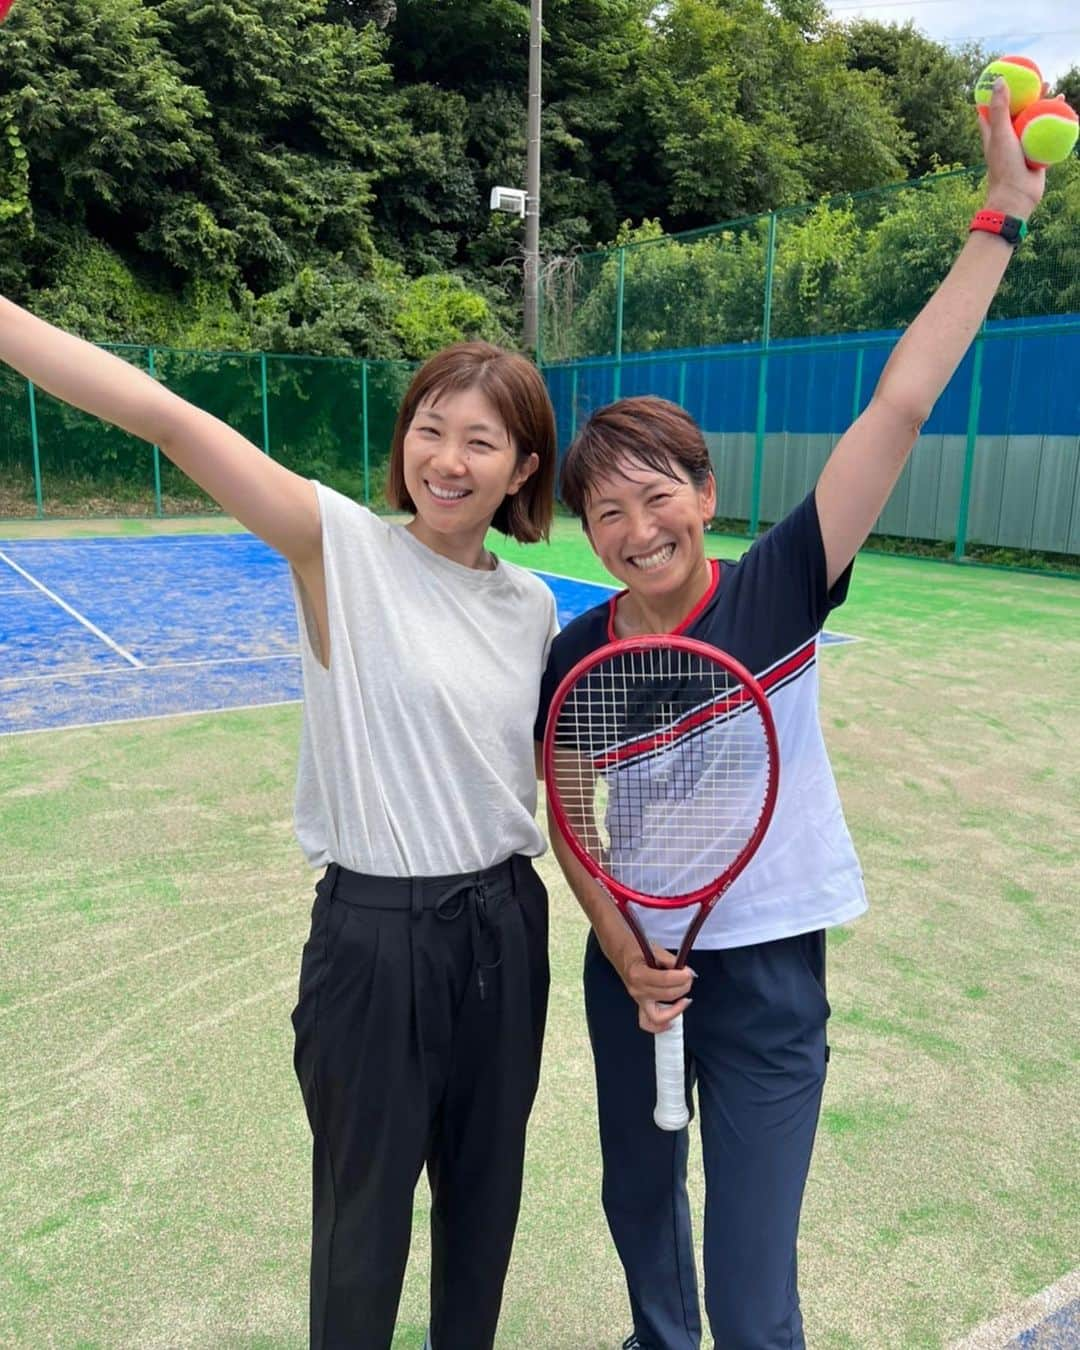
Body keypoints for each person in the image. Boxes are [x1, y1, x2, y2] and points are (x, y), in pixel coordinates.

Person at [534, 78, 1046, 1350]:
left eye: (659, 497)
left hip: (765, 980)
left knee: (752, 1292)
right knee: (641, 1233)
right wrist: (615, 946)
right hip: (627, 978)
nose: (638, 528)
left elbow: (901, 404)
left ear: (705, 493)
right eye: (607, 513)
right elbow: (569, 813)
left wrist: (998, 223)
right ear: (585, 535)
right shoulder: (576, 655)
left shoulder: (780, 587)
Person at [0, 307, 559, 1349]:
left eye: (481, 441)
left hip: (506, 934)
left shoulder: (530, 606)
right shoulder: (338, 549)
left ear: (523, 468)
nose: (447, 458)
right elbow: (165, 419)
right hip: (377, 939)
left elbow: (525, 775)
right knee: (365, 1230)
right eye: (429, 427)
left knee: (486, 1209)